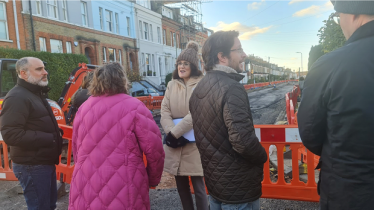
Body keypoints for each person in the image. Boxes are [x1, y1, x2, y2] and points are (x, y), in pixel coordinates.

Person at [298, 1, 374, 209]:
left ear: (354, 14)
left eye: (338, 15)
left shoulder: (329, 65)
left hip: (348, 190)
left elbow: (310, 132)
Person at [69, 63, 165, 210]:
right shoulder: (135, 106)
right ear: (123, 80)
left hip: (86, 180)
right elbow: (154, 149)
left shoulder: (83, 108)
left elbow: (76, 148)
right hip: (125, 182)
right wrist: (153, 178)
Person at [189, 31, 267, 210]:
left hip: (216, 186)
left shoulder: (199, 89)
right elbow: (243, 142)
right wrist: (262, 157)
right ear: (222, 57)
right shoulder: (232, 89)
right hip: (239, 190)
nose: (244, 54)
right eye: (239, 49)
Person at [0, 57, 63, 210]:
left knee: (48, 206)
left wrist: (56, 132)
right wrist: (50, 138)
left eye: (44, 68)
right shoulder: (17, 97)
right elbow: (11, 134)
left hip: (43, 161)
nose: (45, 72)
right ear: (23, 73)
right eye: (39, 69)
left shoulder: (35, 93)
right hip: (32, 166)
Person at [160, 41, 208, 210]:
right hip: (176, 143)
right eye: (179, 63)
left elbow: (196, 112)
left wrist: (174, 133)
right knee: (181, 186)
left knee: (199, 187)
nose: (181, 66)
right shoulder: (172, 84)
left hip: (195, 144)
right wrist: (170, 133)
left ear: (193, 66)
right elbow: (164, 110)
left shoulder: (202, 83)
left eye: (186, 63)